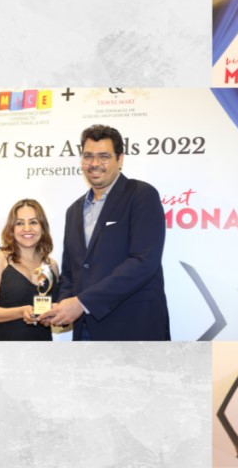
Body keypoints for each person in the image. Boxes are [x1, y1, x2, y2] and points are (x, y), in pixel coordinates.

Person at [40, 124, 170, 340]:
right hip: (84, 329)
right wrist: (62, 307)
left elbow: (143, 262)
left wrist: (81, 303)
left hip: (133, 327)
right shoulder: (74, 210)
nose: (94, 164)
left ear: (120, 159)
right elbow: (70, 271)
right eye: (88, 156)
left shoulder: (141, 195)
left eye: (104, 156)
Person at [0, 199, 60, 341]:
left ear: (42, 227)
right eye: (20, 223)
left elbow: (55, 308)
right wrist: (21, 312)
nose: (27, 228)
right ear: (12, 228)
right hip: (1, 347)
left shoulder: (51, 265)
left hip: (41, 347)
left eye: (33, 222)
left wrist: (53, 316)